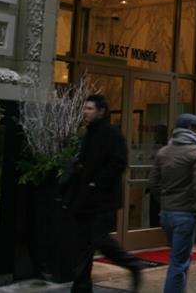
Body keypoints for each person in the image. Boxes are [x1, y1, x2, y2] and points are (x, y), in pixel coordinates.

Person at [65, 95, 143, 293]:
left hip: (101, 200)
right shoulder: (89, 133)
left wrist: (95, 183)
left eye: (89, 108)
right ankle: (81, 287)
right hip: (85, 200)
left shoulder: (111, 133)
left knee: (100, 240)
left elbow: (118, 163)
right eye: (84, 108)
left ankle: (132, 264)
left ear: (101, 111)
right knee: (82, 245)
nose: (85, 112)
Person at [149, 113, 196, 293]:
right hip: (185, 213)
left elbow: (153, 184)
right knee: (179, 262)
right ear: (190, 129)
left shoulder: (164, 151)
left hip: (166, 213)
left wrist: (165, 201)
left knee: (177, 257)